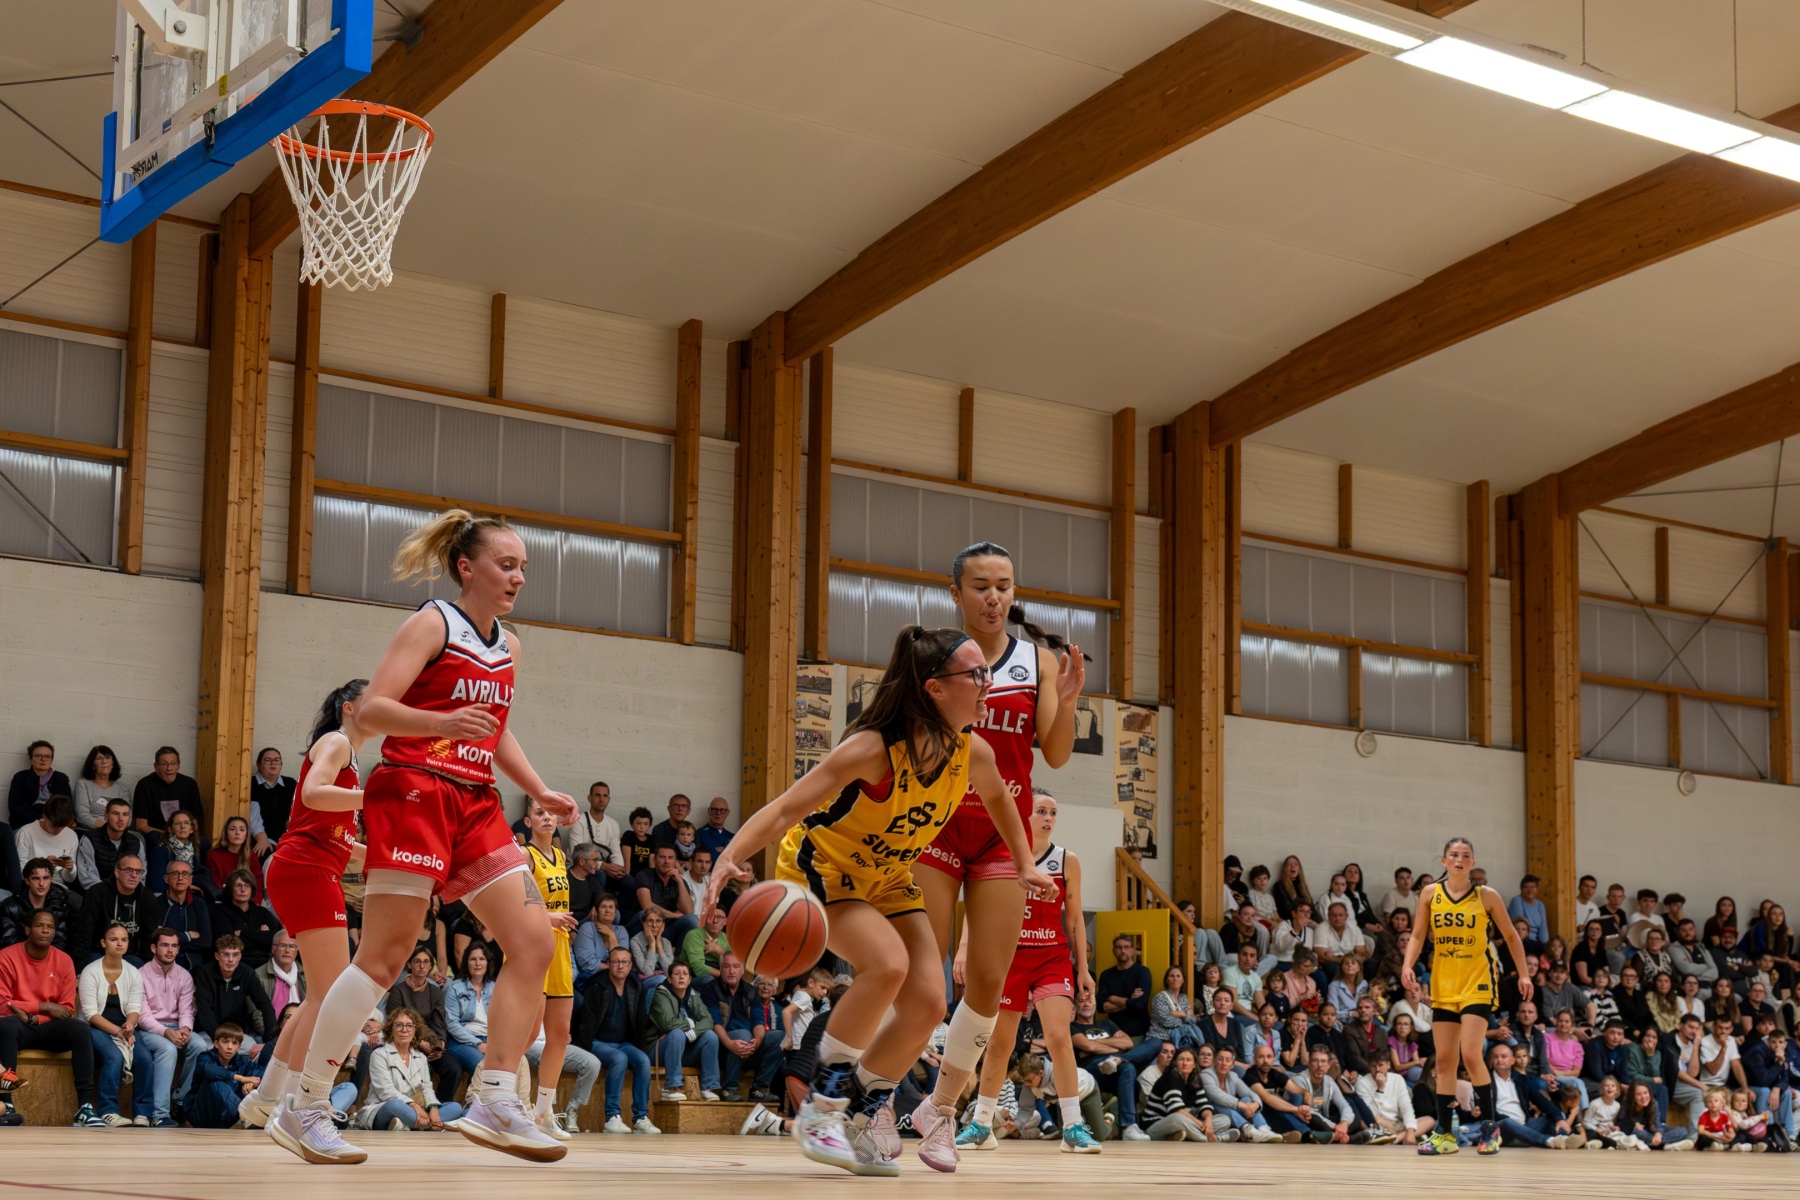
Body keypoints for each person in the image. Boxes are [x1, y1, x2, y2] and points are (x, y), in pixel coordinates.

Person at [270, 510, 577, 1166]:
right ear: (467, 567)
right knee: (383, 959)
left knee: (532, 941)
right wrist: (442, 721)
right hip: (414, 790)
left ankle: (495, 1097)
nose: (518, 576)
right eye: (506, 564)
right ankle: (305, 1105)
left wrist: (538, 787)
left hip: (476, 802)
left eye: (523, 567)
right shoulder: (433, 623)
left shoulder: (509, 646)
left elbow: (494, 730)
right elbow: (375, 708)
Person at [704, 622, 1053, 1177]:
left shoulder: (973, 751)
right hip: (825, 870)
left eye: (988, 672)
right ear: (935, 688)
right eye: (976, 674)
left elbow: (1001, 803)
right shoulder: (872, 749)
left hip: (887, 877)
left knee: (929, 1002)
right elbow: (786, 807)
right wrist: (729, 857)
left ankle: (861, 1112)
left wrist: (1026, 863)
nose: (989, 682)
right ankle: (822, 1107)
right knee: (887, 966)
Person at [903, 543, 1084, 1174]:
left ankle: (941, 1111)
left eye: (1003, 585)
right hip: (936, 824)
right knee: (923, 981)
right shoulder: (935, 656)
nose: (993, 597)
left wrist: (1069, 698)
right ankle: (877, 1103)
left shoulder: (1038, 661)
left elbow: (1055, 755)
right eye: (980, 585)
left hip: (1005, 836)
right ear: (955, 592)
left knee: (986, 986)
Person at [239, 684, 369, 1133]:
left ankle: (268, 1099)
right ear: (348, 708)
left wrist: (384, 859)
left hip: (309, 866)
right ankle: (293, 1104)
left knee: (320, 997)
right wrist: (374, 797)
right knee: (331, 996)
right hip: (305, 868)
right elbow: (313, 793)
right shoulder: (337, 742)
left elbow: (337, 839)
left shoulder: (349, 756)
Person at [954, 791, 1100, 1153]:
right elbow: (978, 906)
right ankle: (981, 1125)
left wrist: (1083, 969)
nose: (1048, 818)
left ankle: (1073, 1128)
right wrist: (964, 948)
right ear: (1025, 814)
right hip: (1010, 957)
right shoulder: (1000, 854)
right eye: (1041, 811)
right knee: (999, 1044)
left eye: (1053, 812)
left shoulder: (1067, 860)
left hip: (1052, 957)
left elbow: (1074, 919)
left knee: (1058, 1036)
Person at [1402, 836, 1533, 1156]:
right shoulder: (1430, 893)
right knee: (1445, 1060)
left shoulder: (1487, 895)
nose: (1459, 860)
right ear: (1444, 861)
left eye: (1465, 855)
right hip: (1444, 984)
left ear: (1472, 863)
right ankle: (1445, 1134)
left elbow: (1511, 936)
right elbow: (1417, 934)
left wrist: (1524, 973)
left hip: (1477, 982)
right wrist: (1407, 964)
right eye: (1453, 855)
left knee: (1472, 1055)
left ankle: (1490, 1129)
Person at [0, 909, 101, 1125]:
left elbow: (65, 1009)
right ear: (27, 929)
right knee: (7, 1026)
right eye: (40, 926)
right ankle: (6, 1104)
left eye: (51, 927)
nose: (46, 930)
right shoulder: (6, 957)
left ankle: (84, 1107)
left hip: (46, 1027)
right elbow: (3, 1004)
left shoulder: (64, 960)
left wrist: (35, 1018)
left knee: (81, 1029)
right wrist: (43, 1006)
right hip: (17, 1027)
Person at [523, 796, 580, 1140]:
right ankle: (489, 1098)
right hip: (531, 946)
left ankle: (543, 1112)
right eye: (539, 812)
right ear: (528, 821)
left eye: (550, 813)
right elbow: (514, 905)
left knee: (559, 1035)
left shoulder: (559, 855)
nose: (546, 817)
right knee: (527, 1034)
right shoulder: (524, 855)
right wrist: (548, 916)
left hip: (559, 948)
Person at [574, 945, 659, 1134]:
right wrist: (585, 1046)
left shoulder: (635, 986)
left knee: (643, 1060)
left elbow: (640, 1021)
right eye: (615, 962)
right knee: (619, 1059)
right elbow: (586, 1021)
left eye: (624, 962)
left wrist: (641, 1046)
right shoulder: (597, 986)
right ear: (608, 964)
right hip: (597, 1042)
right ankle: (612, 1117)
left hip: (623, 1043)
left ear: (630, 965)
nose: (620, 966)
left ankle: (641, 1118)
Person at [79, 921, 151, 1126]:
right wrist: (119, 1032)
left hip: (124, 1028)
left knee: (145, 1059)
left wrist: (129, 1025)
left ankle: (142, 1113)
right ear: (103, 943)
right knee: (114, 1056)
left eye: (124, 940)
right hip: (95, 1027)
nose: (119, 944)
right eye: (114, 939)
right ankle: (108, 1111)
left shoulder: (133, 972)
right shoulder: (91, 971)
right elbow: (90, 1014)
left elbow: (135, 1007)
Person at [352, 1006, 463, 1130]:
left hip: (418, 1110)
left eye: (409, 1026)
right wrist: (414, 1106)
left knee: (455, 1107)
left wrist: (433, 1109)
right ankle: (429, 1125)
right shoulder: (379, 1054)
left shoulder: (421, 1057)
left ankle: (407, 1124)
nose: (404, 1030)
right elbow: (386, 1092)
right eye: (399, 1025)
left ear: (415, 1031)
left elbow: (427, 1088)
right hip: (386, 1107)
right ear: (390, 1030)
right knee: (395, 1105)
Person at [1070, 991, 1150, 1141]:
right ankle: (1121, 1058)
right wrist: (1115, 1048)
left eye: (1089, 1000)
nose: (1086, 1004)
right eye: (1081, 1001)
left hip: (1115, 1068)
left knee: (1131, 1065)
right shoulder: (1073, 1027)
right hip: (1092, 1070)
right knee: (1127, 1063)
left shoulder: (1107, 1023)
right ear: (1075, 1005)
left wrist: (1096, 1044)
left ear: (1095, 1004)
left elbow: (1128, 1043)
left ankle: (1128, 1127)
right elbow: (1089, 1047)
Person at [703, 951, 781, 1101]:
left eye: (736, 966)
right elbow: (714, 1022)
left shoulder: (751, 991)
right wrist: (729, 1043)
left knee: (780, 1038)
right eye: (727, 966)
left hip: (749, 1046)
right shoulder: (710, 989)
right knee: (743, 1035)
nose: (732, 971)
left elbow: (758, 1020)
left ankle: (759, 1089)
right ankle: (729, 1088)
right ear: (721, 969)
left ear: (743, 970)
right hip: (722, 1045)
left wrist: (757, 1041)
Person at [136, 927, 194, 1127]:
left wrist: (185, 1029)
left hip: (176, 1027)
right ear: (153, 948)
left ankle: (180, 1098)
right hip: (149, 1030)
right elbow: (143, 1017)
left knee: (200, 1046)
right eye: (165, 945)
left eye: (174, 946)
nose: (170, 950)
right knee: (168, 1049)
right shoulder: (140, 975)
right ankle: (159, 1114)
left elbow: (187, 1010)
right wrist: (166, 1032)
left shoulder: (184, 976)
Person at [73, 853, 154, 966]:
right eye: (129, 870)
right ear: (117, 873)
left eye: (139, 871)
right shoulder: (97, 893)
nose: (134, 875)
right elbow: (84, 932)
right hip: (99, 953)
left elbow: (149, 936)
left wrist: (147, 965)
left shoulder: (147, 896)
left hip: (130, 956)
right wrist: (80, 967)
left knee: (138, 963)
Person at [187, 1022, 263, 1127]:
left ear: (239, 1047)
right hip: (201, 1114)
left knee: (254, 1078)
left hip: (225, 1117)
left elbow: (263, 1072)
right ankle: (244, 1118)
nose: (230, 1047)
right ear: (216, 1043)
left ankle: (245, 1117)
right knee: (216, 1082)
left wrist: (253, 1083)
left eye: (234, 1043)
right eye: (225, 1042)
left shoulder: (240, 1061)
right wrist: (241, 1078)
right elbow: (211, 1071)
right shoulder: (205, 1057)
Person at [445, 942, 497, 1081]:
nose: (478, 963)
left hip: (490, 1039)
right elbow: (451, 1024)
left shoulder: (495, 988)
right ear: (466, 963)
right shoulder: (455, 988)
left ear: (488, 963)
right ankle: (472, 1096)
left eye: (482, 959)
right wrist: (477, 1043)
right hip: (462, 1041)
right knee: (481, 1064)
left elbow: (502, 1021)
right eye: (473, 959)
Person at [1, 858, 76, 951]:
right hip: (18, 955)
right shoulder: (10, 906)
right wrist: (35, 949)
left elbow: (62, 940)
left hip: (51, 955)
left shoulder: (60, 904)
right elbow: (7, 940)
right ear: (27, 881)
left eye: (46, 878)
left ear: (51, 879)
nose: (41, 883)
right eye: (36, 878)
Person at [212, 870, 279, 971]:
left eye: (247, 886)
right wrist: (260, 934)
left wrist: (243, 933)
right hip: (236, 964)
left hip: (264, 962)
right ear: (230, 889)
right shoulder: (221, 912)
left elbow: (273, 940)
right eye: (238, 885)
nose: (243, 889)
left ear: (252, 889)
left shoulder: (262, 912)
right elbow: (227, 944)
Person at [74, 800, 145, 894]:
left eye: (125, 814)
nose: (120, 819)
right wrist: (109, 895)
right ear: (106, 816)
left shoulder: (136, 842)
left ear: (129, 818)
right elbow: (87, 878)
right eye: (115, 814)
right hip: (98, 894)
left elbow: (141, 875)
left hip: (128, 894)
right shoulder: (90, 839)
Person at [131, 748, 202, 838]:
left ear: (178, 765)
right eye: (164, 764)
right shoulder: (145, 785)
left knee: (204, 842)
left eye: (173, 763)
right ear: (156, 767)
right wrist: (170, 836)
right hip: (158, 837)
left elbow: (194, 822)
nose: (169, 768)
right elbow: (141, 826)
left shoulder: (189, 784)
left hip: (184, 836)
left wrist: (194, 841)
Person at [153, 860, 211, 969]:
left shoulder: (199, 904)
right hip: (162, 965)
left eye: (185, 874)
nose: (180, 878)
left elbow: (206, 942)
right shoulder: (156, 903)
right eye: (175, 874)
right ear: (166, 879)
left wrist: (169, 943)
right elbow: (154, 939)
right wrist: (187, 936)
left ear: (190, 880)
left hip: (194, 966)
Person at [633, 844, 695, 941]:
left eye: (671, 858)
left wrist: (679, 881)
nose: (666, 862)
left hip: (667, 929)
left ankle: (679, 951)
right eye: (662, 857)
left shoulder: (679, 881)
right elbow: (647, 906)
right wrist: (674, 915)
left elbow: (688, 911)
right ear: (654, 860)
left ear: (675, 861)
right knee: (644, 914)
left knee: (692, 920)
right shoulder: (644, 875)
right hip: (643, 926)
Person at [16, 795, 79, 889]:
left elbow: (69, 879)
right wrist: (44, 866)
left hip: (58, 886)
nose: (57, 830)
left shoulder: (71, 836)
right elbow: (19, 871)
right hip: (32, 885)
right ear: (44, 816)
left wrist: (70, 868)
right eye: (53, 825)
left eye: (61, 826)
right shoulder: (26, 832)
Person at [1355, 1052, 1419, 1145]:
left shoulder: (1397, 1079)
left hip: (1397, 1124)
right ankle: (1400, 1138)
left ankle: (1395, 1139)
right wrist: (1380, 1089)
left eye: (1381, 1065)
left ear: (1388, 1065)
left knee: (1429, 1120)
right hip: (1378, 1125)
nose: (1378, 1069)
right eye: (1374, 1066)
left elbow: (1406, 1106)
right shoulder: (1362, 1083)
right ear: (1369, 1067)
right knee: (1374, 1122)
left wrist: (1410, 1131)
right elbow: (1369, 1113)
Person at [8, 742, 70, 831]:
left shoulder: (61, 779)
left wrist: (52, 822)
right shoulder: (21, 778)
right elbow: (16, 808)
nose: (43, 759)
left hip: (55, 824)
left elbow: (66, 807)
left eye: (47, 756)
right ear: (30, 759)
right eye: (38, 756)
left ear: (51, 760)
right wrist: (41, 821)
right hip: (26, 825)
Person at [248, 748, 297, 859]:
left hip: (287, 838)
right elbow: (253, 815)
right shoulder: (252, 783)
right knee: (262, 854)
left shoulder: (290, 784)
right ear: (258, 764)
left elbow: (297, 810)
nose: (273, 764)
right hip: (261, 837)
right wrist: (261, 838)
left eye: (276, 760)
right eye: (268, 760)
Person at [206, 816, 264, 903]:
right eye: (232, 829)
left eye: (242, 830)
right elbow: (215, 885)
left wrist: (254, 904)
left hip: (249, 903)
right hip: (223, 902)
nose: (237, 833)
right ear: (226, 834)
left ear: (246, 835)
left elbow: (257, 883)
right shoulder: (214, 855)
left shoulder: (251, 856)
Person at [72, 746, 131, 832]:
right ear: (92, 765)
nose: (104, 762)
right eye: (99, 758)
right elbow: (82, 815)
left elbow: (128, 818)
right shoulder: (83, 784)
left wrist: (113, 830)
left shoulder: (122, 789)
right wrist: (107, 829)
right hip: (91, 831)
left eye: (107, 758)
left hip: (117, 832)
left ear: (113, 764)